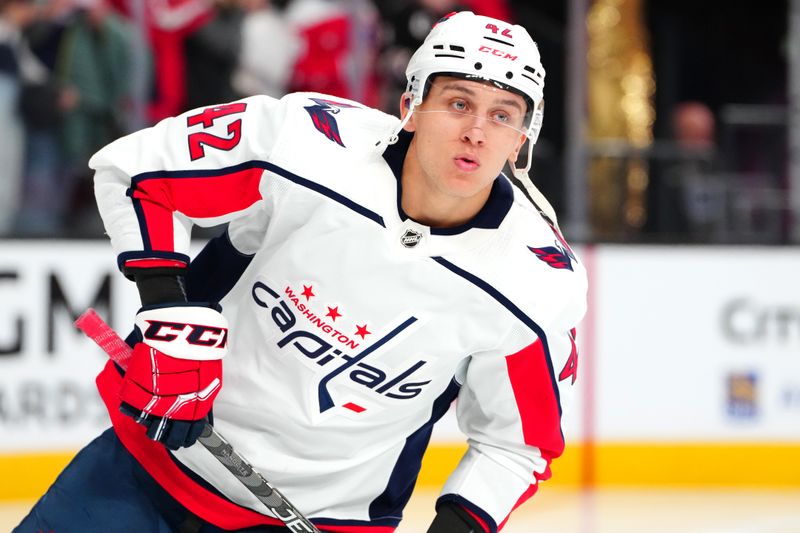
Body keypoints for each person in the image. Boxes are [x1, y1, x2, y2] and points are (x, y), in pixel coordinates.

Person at [17, 11, 586, 533]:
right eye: (459, 103)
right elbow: (138, 173)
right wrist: (169, 310)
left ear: (522, 140)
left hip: (330, 519)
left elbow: (517, 444)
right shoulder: (308, 143)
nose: (477, 133)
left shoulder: (534, 280)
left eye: (503, 115)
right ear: (411, 104)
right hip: (145, 473)